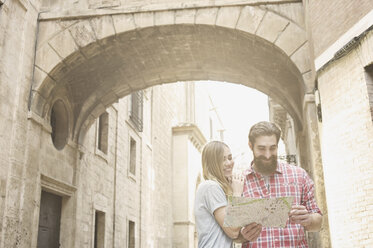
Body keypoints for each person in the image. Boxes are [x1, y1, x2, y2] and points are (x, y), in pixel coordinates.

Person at [240, 121, 323, 247]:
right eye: (262, 149)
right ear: (251, 146)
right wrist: (242, 235)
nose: (268, 155)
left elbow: (318, 222)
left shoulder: (299, 175)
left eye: (272, 148)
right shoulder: (240, 182)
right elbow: (233, 234)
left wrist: (309, 219)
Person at [194, 141, 262, 247]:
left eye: (230, 158)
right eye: (222, 159)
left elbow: (230, 235)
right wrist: (237, 193)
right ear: (212, 163)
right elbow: (232, 230)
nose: (229, 163)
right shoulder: (210, 187)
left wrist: (246, 235)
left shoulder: (218, 188)